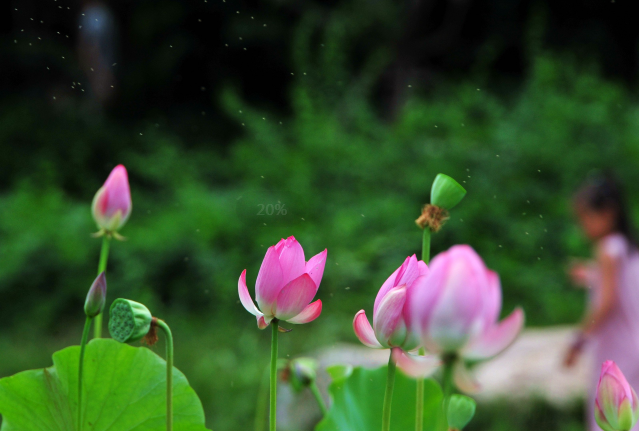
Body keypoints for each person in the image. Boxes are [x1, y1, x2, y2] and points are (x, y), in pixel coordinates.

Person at [565, 174, 639, 431]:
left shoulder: (607, 249)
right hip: (634, 341)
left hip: (616, 344)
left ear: (607, 213)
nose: (582, 226)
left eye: (585, 217)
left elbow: (607, 302)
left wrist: (578, 339)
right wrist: (591, 274)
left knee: (609, 411)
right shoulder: (627, 248)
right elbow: (621, 284)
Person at [77, 0, 116, 107]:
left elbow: (91, 46)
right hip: (100, 70)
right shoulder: (98, 13)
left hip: (97, 70)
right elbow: (93, 46)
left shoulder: (93, 13)